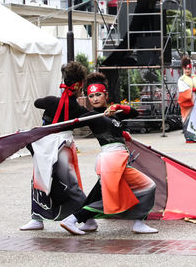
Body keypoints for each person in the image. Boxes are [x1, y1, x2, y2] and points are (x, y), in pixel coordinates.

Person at [61, 72, 158, 235]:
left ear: (105, 95)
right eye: (91, 96)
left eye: (98, 94)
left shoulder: (113, 113)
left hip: (119, 160)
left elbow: (134, 113)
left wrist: (119, 108)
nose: (95, 99)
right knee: (143, 187)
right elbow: (71, 120)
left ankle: (88, 221)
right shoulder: (92, 116)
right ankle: (74, 219)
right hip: (111, 160)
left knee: (103, 192)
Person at [20, 61, 90, 231]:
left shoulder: (52, 102)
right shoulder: (76, 109)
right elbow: (92, 118)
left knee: (44, 181)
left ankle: (87, 218)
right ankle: (39, 218)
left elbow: (37, 102)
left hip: (49, 145)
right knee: (66, 184)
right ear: (79, 85)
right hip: (57, 146)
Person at [177, 56, 196, 143]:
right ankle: (189, 136)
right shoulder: (181, 79)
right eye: (186, 69)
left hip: (195, 101)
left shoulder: (195, 77)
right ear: (183, 69)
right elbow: (182, 90)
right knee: (188, 118)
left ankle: (195, 135)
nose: (187, 70)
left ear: (191, 68)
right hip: (187, 103)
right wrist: (193, 90)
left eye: (189, 68)